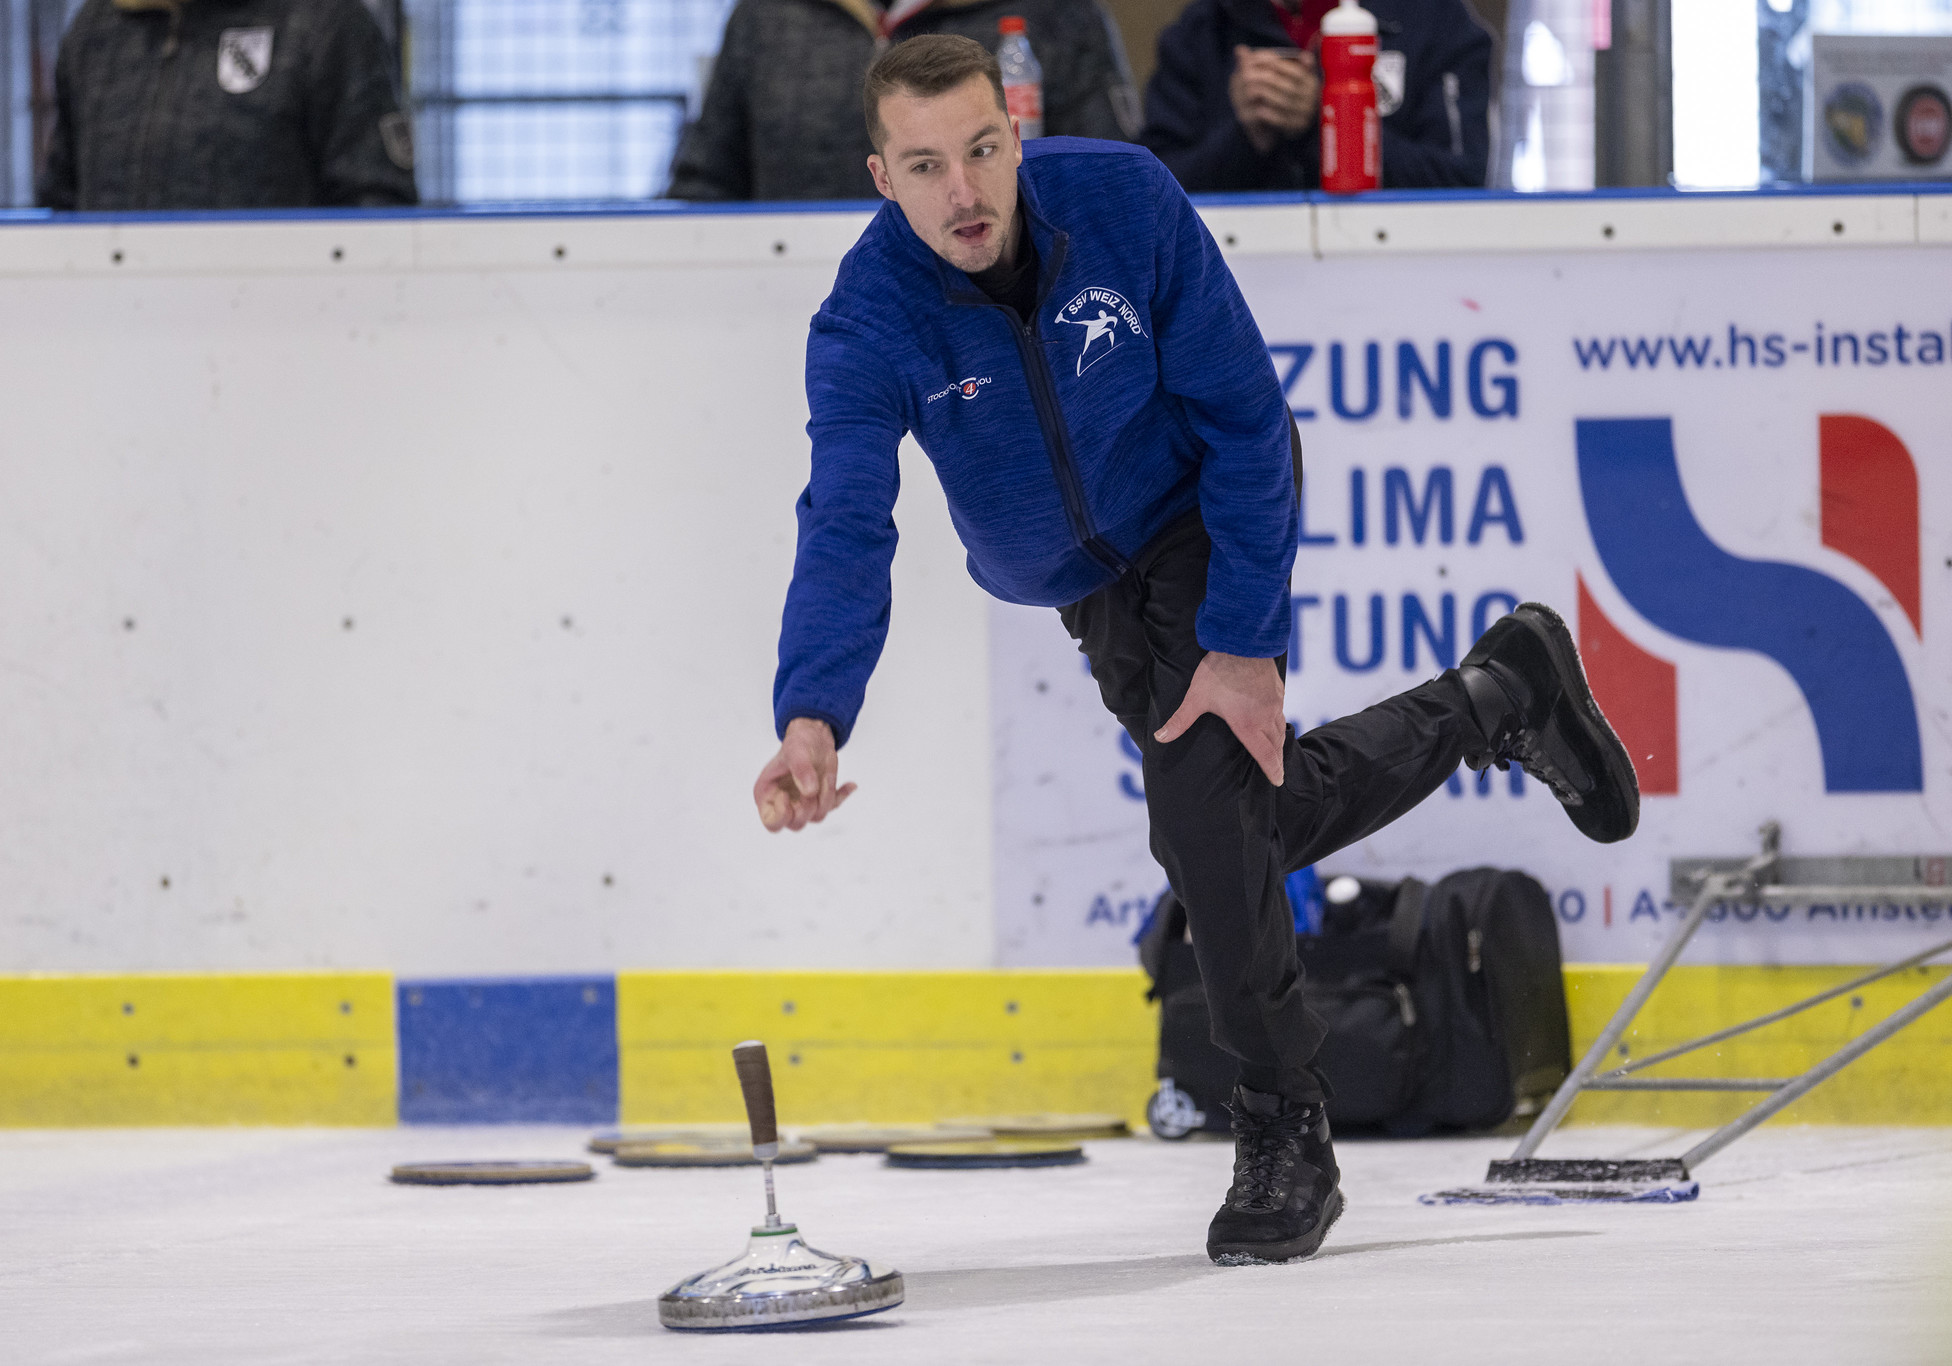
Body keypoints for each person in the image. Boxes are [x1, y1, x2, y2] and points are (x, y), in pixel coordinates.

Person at [751, 33, 1637, 1263]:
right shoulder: (863, 324)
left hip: (1206, 512)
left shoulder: (1119, 199)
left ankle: (1285, 1130)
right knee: (1228, 826)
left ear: (1012, 132)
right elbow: (844, 522)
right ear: (879, 177)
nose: (963, 191)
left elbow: (1243, 418)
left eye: (982, 151)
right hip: (1084, 583)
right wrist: (813, 713)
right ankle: (1498, 692)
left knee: (1208, 823)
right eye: (924, 166)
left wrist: (1243, 638)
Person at [668, 0, 1139, 202]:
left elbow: (1105, 184)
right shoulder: (765, 16)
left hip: (996, 309)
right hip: (786, 303)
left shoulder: (1057, 13)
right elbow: (704, 184)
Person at [41, 0, 417, 212]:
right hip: (112, 334)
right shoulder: (96, 30)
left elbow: (378, 210)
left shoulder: (323, 23)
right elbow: (61, 201)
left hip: (281, 335)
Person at [1141, 0, 1493, 191]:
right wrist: (1246, 138)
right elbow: (1148, 193)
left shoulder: (1434, 18)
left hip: (1398, 282)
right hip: (1240, 285)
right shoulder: (1202, 30)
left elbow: (1461, 178)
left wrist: (1323, 120)